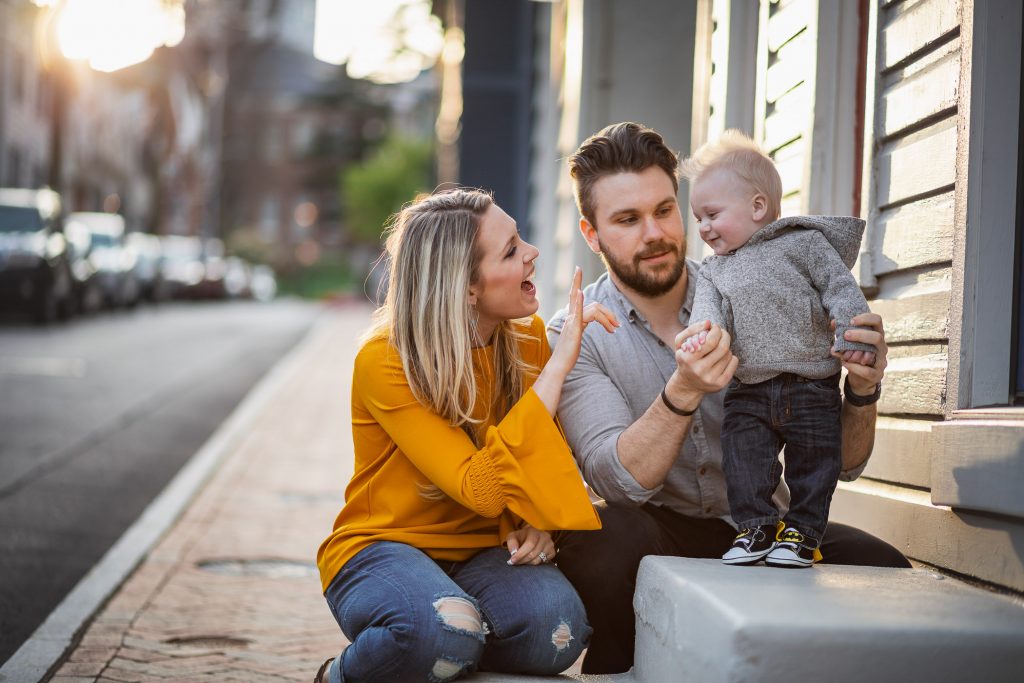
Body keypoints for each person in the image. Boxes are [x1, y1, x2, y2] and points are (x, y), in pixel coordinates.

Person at [546, 122, 910, 675]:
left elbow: (849, 463)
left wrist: (862, 390)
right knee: (599, 540)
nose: (654, 233)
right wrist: (683, 390)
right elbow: (617, 479)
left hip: (768, 525)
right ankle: (621, 669)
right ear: (592, 235)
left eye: (665, 210)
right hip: (658, 527)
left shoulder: (759, 286)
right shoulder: (578, 336)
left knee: (883, 565)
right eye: (627, 219)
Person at [314, 188, 619, 683]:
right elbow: (480, 488)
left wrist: (539, 523)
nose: (533, 254)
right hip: (384, 548)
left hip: (483, 553)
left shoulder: (526, 339)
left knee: (557, 631)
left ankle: (451, 647)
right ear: (467, 287)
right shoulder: (387, 360)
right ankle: (342, 675)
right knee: (440, 633)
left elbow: (543, 456)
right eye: (512, 250)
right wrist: (558, 370)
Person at [680, 130, 876, 568]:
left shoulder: (803, 244)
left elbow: (840, 289)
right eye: (698, 218)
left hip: (811, 381)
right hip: (749, 387)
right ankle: (755, 528)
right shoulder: (714, 270)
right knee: (744, 459)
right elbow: (706, 314)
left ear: (757, 207)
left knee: (815, 464)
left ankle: (803, 533)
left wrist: (851, 335)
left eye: (712, 214)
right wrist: (699, 335)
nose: (704, 227)